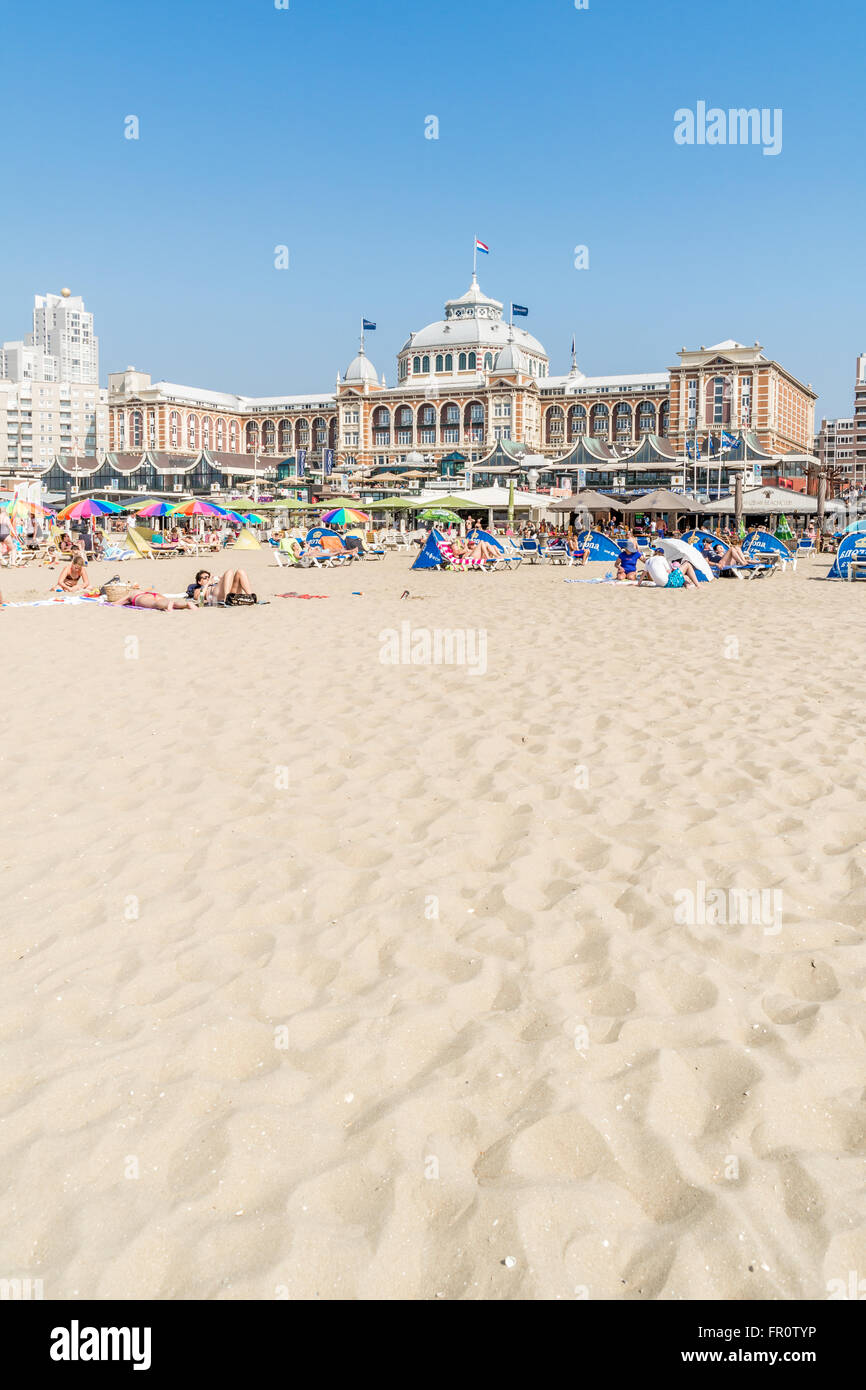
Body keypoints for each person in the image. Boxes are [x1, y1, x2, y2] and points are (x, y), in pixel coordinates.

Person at [189, 568, 257, 605]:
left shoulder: (214, 583)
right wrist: (207, 584)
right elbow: (199, 599)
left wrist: (221, 580)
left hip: (231, 592)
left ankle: (251, 596)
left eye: (209, 577)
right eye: (205, 577)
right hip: (218, 594)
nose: (208, 579)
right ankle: (226, 598)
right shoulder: (198, 589)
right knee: (229, 571)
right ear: (199, 581)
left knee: (240, 571)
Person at [111, 585, 196, 611]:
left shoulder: (131, 593)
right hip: (155, 594)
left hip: (141, 598)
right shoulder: (141, 591)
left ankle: (167, 605)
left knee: (155, 604)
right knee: (172, 603)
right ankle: (186, 605)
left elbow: (116, 603)